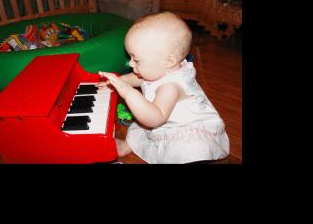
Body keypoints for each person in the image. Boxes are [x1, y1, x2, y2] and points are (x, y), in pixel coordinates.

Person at [97, 12, 229, 164]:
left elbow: (154, 119)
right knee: (141, 125)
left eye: (136, 59)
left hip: (181, 129)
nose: (130, 64)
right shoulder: (162, 69)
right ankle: (128, 145)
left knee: (152, 125)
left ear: (168, 62)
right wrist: (120, 81)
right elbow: (140, 79)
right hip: (163, 118)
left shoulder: (170, 87)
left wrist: (129, 93)